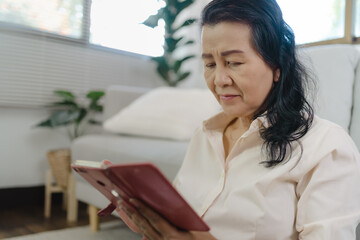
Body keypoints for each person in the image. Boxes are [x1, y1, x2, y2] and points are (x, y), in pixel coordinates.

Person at [116, 0, 360, 239]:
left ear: (279, 65)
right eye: (210, 64)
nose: (219, 79)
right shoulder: (205, 134)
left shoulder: (327, 147)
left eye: (234, 62)